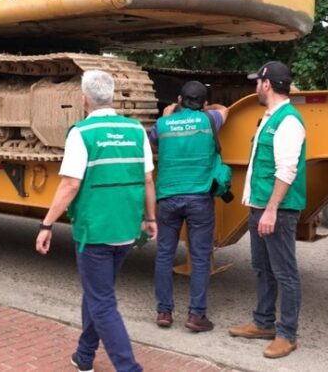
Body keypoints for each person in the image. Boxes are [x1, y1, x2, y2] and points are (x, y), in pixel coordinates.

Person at [36, 70, 157, 372]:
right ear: (112, 96)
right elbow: (148, 180)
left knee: (102, 302)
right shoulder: (136, 130)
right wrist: (150, 218)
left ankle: (129, 368)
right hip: (126, 230)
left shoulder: (81, 133)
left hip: (95, 232)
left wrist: (47, 224)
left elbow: (70, 185)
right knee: (98, 292)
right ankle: (84, 356)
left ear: (83, 99)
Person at [228, 61, 306, 359]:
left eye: (257, 82)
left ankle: (287, 333)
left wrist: (272, 210)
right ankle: (263, 322)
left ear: (267, 84)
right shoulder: (270, 117)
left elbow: (286, 170)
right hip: (260, 206)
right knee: (262, 268)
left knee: (285, 272)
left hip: (278, 210)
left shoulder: (288, 121)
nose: (255, 87)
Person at [149, 80, 229, 332]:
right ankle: (196, 316)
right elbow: (225, 109)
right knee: (199, 257)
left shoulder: (161, 125)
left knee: (164, 254)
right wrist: (207, 107)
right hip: (199, 198)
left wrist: (170, 112)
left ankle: (164, 312)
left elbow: (154, 144)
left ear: (180, 100)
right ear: (204, 103)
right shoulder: (209, 120)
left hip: (168, 197)